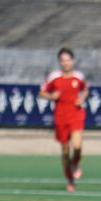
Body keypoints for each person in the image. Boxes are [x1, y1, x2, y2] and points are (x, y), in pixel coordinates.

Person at [38, 47, 88, 192]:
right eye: (62, 60)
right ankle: (70, 179)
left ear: (72, 61)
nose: (65, 63)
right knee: (65, 151)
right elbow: (41, 91)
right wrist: (51, 96)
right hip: (60, 117)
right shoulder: (54, 77)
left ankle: (75, 164)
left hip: (76, 114)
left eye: (68, 60)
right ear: (59, 62)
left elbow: (85, 89)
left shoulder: (78, 76)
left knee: (77, 146)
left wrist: (82, 98)